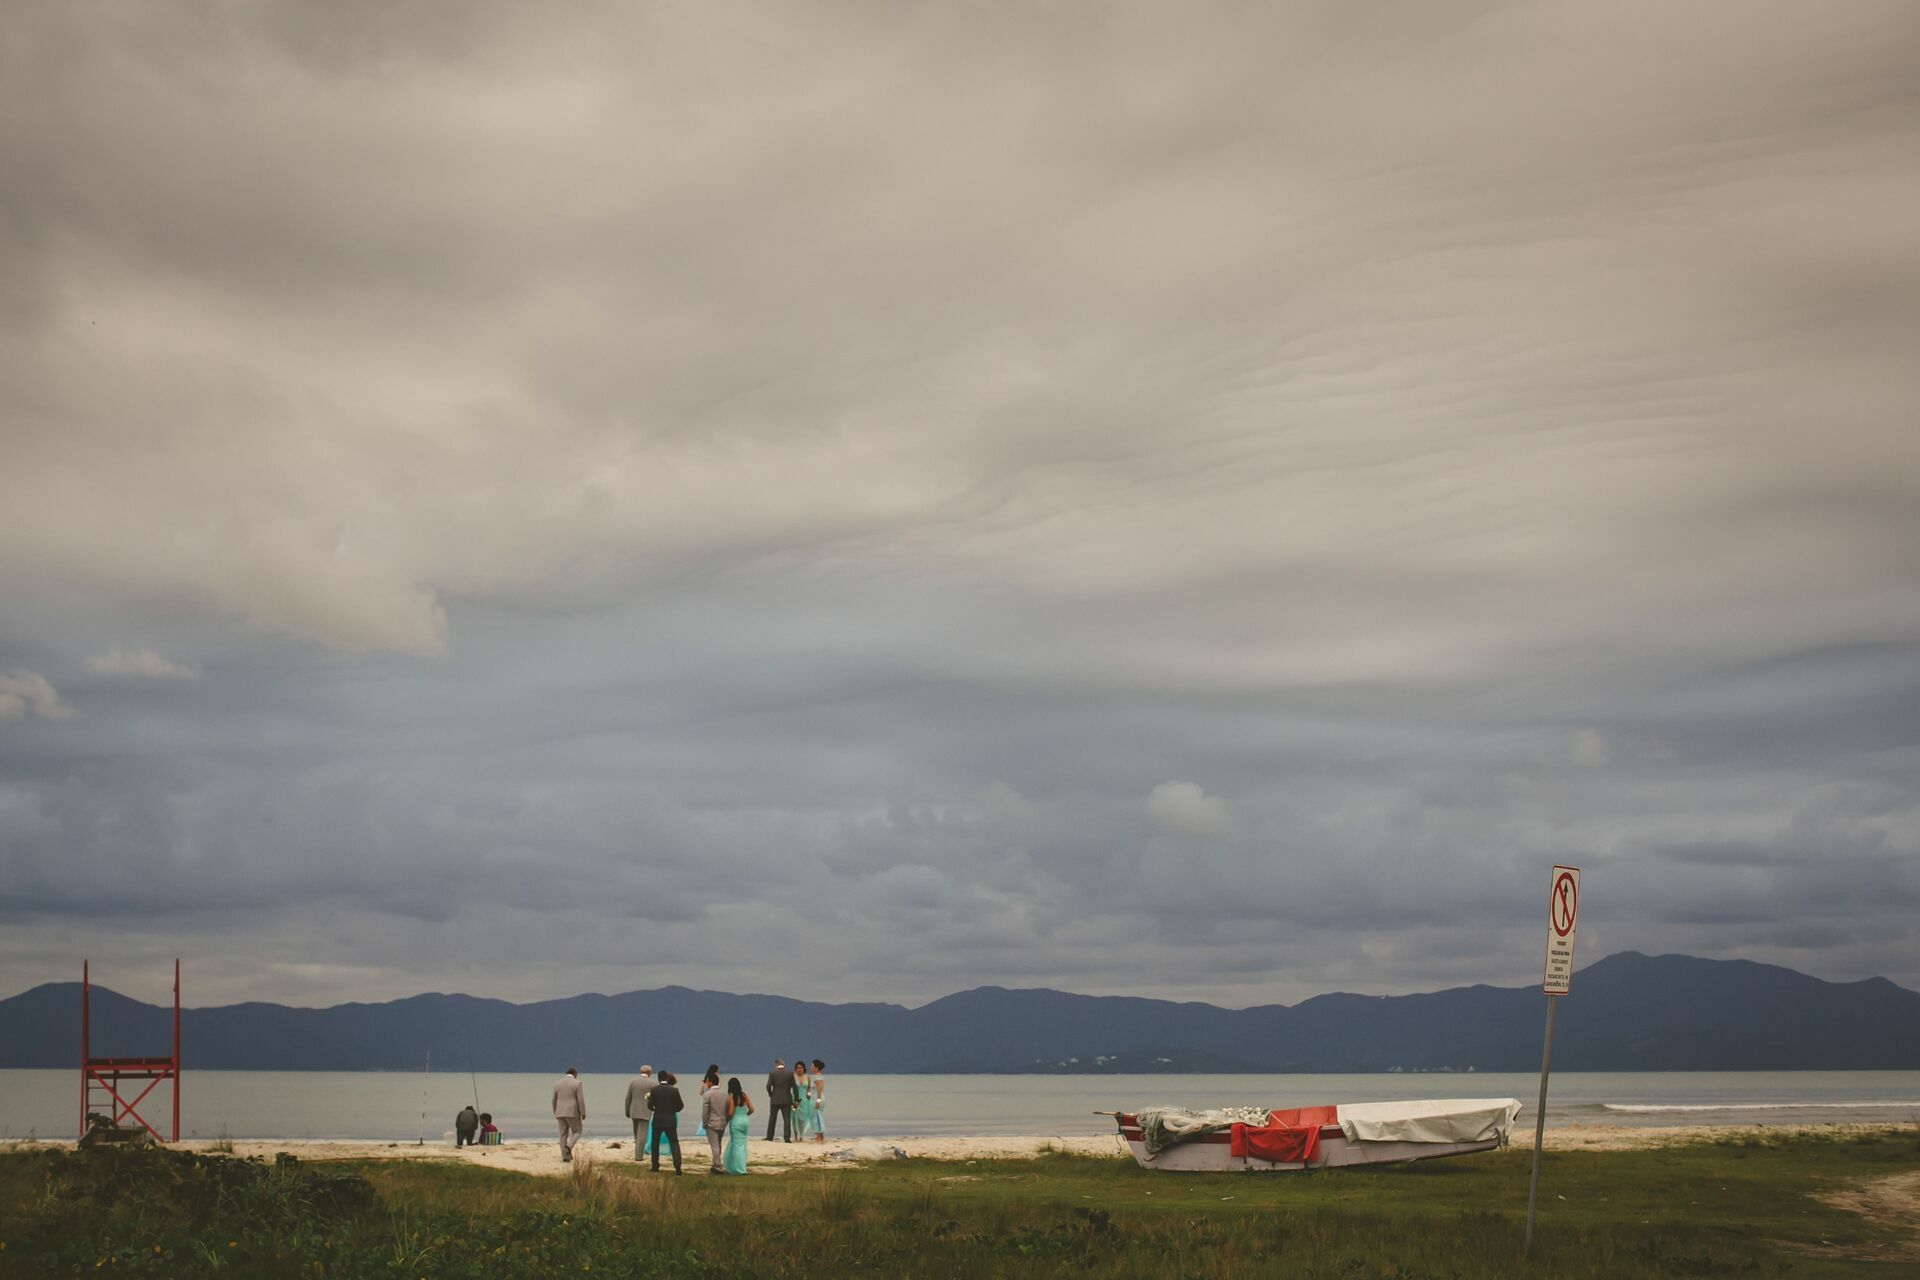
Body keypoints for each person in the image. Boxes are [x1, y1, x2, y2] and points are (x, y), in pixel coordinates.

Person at [646, 1071, 685, 1173]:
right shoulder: (674, 1090)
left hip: (658, 1120)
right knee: (674, 1143)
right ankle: (677, 1167)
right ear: (667, 1078)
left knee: (655, 1143)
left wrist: (654, 1107)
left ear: (658, 1079)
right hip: (670, 1120)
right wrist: (672, 1110)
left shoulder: (654, 1090)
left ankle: (655, 1165)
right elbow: (680, 1106)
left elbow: (650, 1106)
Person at [552, 1067, 586, 1163]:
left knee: (563, 1134)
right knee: (577, 1131)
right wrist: (583, 1112)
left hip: (560, 1112)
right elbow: (580, 1100)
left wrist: (555, 1111)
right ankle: (569, 1146)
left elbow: (554, 1099)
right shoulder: (577, 1083)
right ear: (575, 1074)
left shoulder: (557, 1084)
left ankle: (565, 1156)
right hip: (572, 1112)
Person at [624, 1064, 657, 1162]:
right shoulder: (653, 1084)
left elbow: (627, 1098)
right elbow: (655, 1099)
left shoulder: (633, 1082)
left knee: (636, 1133)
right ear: (650, 1073)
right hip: (645, 1111)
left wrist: (627, 1111)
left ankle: (637, 1152)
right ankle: (638, 1156)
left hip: (633, 1110)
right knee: (642, 1135)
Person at [723, 1077, 754, 1174]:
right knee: (742, 1145)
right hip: (745, 1121)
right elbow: (752, 1109)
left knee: (736, 1145)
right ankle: (739, 1166)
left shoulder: (732, 1097)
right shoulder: (744, 1095)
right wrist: (745, 1114)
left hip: (736, 1121)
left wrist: (725, 1116)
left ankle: (739, 1169)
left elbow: (731, 1112)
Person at [700, 1067, 727, 1174]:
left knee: (714, 1145)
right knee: (718, 1144)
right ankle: (717, 1162)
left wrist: (704, 1123)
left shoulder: (707, 1095)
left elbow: (705, 1111)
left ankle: (717, 1166)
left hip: (711, 1122)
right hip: (722, 1122)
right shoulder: (724, 1094)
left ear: (710, 1082)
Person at [765, 1057, 795, 1143]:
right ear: (783, 1064)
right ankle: (787, 1138)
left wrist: (770, 1094)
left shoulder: (772, 1073)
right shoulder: (790, 1074)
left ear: (776, 1064)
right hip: (786, 1099)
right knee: (787, 1119)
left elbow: (768, 1086)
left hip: (775, 1099)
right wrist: (796, 1098)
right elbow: (794, 1087)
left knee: (772, 1118)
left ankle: (770, 1137)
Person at [792, 1059, 816, 1140]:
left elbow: (809, 1088)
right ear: (796, 1069)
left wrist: (809, 1094)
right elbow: (789, 1088)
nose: (799, 1069)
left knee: (803, 1119)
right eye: (798, 1068)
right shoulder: (793, 1077)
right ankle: (795, 1136)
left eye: (801, 1068)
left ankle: (801, 1136)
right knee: (794, 1118)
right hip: (795, 1099)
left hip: (805, 1100)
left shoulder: (807, 1077)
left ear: (804, 1068)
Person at [809, 1059, 828, 1143]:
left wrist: (818, 1101)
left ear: (816, 1068)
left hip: (818, 1097)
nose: (811, 1067)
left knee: (816, 1117)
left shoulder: (817, 1077)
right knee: (817, 1116)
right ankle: (820, 1136)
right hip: (817, 1097)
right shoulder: (818, 1076)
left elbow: (819, 1089)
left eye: (812, 1066)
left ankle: (819, 1136)